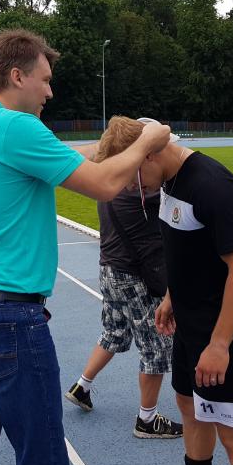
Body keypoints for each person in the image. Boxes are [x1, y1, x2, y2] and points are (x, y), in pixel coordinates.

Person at [0, 29, 172, 465]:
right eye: (44, 81)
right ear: (17, 75)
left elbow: (71, 158)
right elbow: (107, 184)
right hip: (6, 321)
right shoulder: (16, 129)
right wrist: (147, 138)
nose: (50, 92)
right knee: (43, 460)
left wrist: (109, 143)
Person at [95, 116, 233, 465]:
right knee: (189, 406)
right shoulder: (170, 180)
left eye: (131, 171)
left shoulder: (212, 185)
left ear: (151, 153)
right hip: (189, 324)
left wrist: (220, 345)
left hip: (225, 332)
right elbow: (188, 251)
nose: (128, 183)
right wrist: (172, 297)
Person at [64, 187, 183, 439]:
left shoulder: (110, 185)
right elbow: (194, 199)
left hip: (110, 271)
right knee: (156, 346)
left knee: (114, 333)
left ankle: (82, 387)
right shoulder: (140, 192)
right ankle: (147, 419)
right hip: (134, 276)